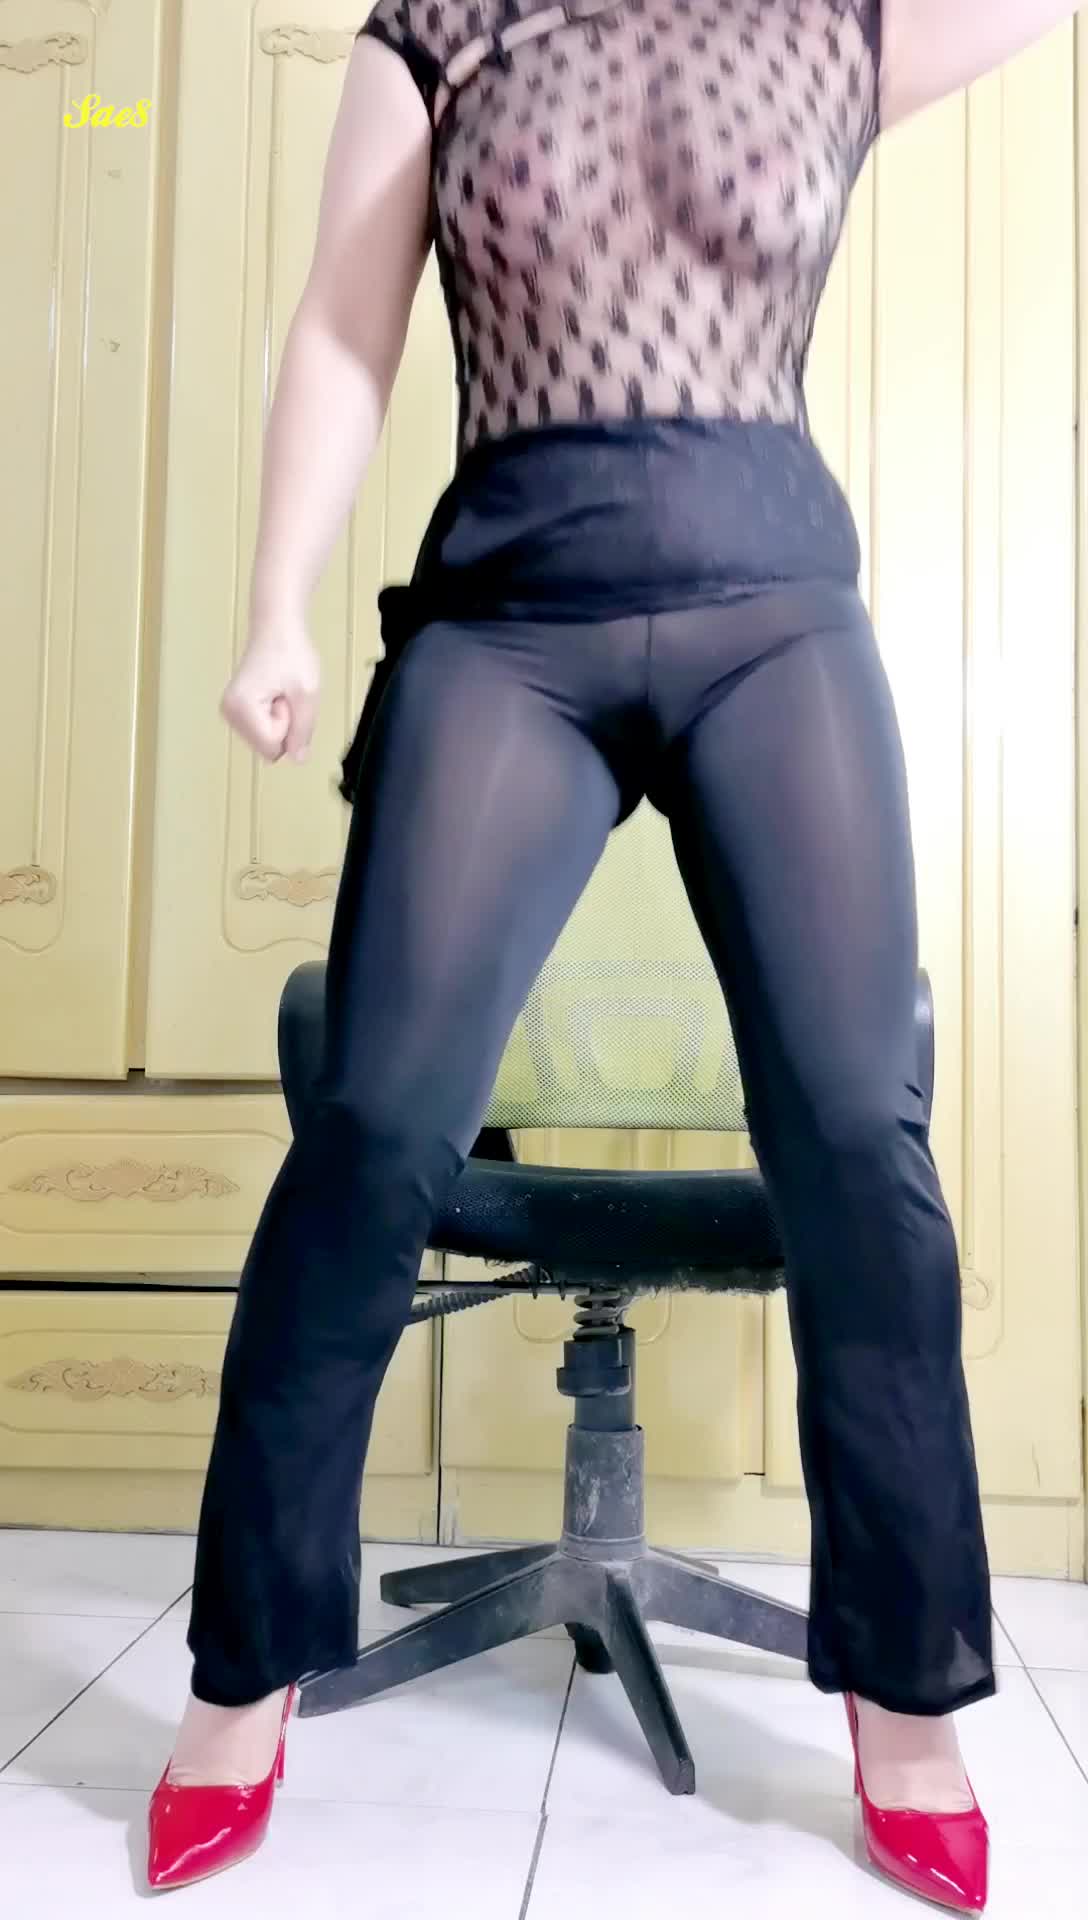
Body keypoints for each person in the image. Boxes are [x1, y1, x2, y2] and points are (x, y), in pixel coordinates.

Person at [146, 2, 1080, 1906]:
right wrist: (276, 605)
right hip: (508, 629)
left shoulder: (836, 24)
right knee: (373, 1129)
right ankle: (243, 1676)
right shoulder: (438, 31)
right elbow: (346, 324)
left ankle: (909, 1696)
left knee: (855, 1132)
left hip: (775, 620)